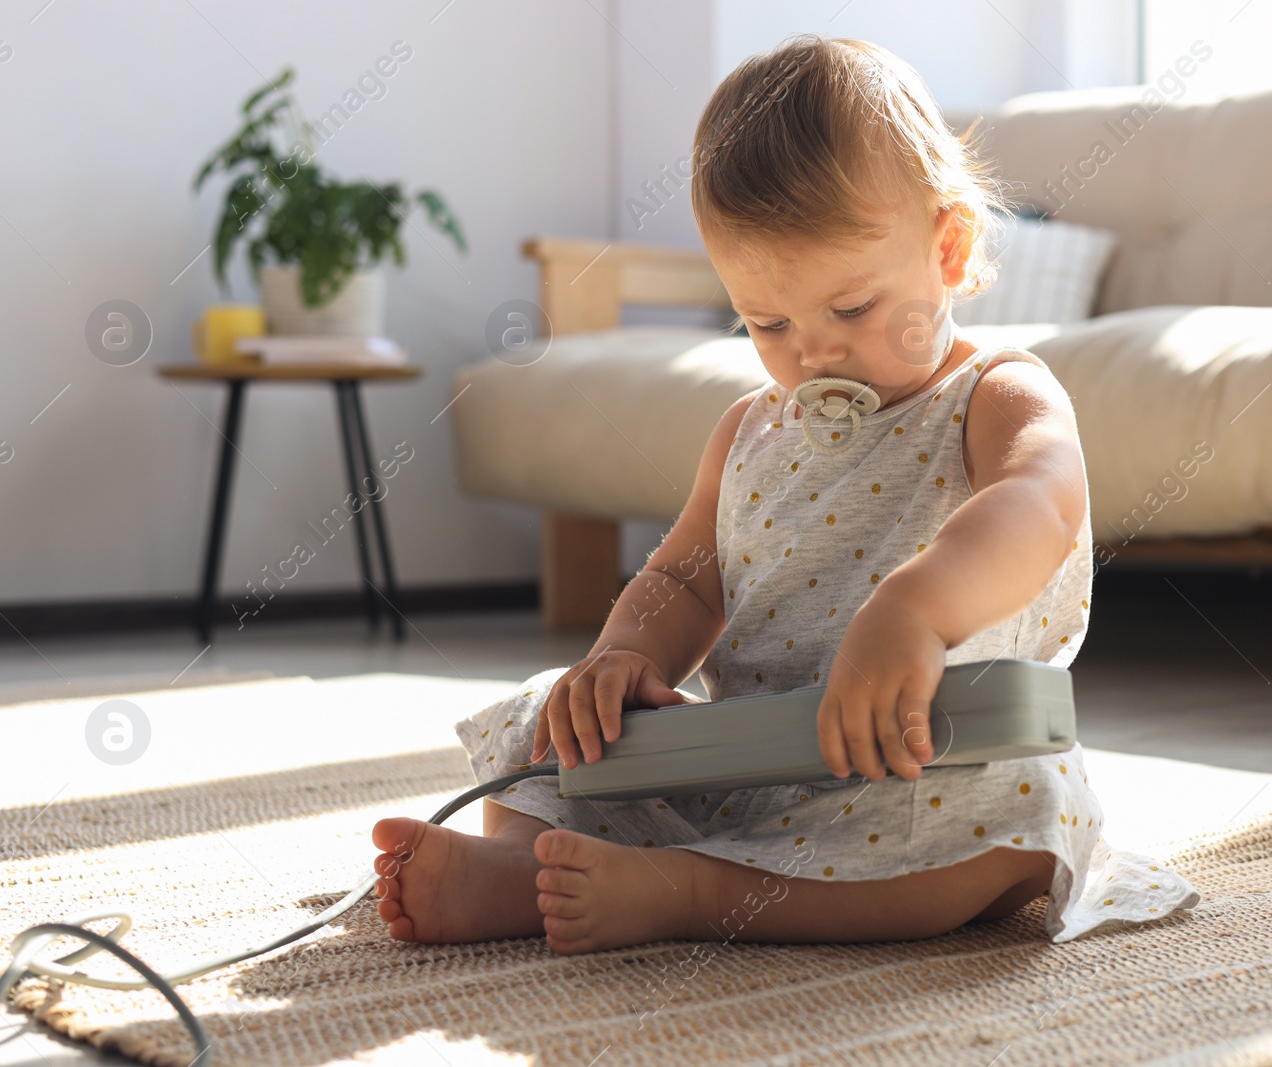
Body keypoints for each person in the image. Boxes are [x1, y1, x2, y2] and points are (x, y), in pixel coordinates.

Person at [372, 34, 1199, 955]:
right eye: (767, 322)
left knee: (1024, 803)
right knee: (551, 716)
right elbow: (686, 581)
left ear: (950, 248)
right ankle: (528, 873)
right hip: (748, 759)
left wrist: (917, 612)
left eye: (850, 308)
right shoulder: (747, 432)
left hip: (917, 754)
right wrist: (620, 657)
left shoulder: (994, 394)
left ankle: (686, 892)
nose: (814, 352)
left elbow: (1040, 504)